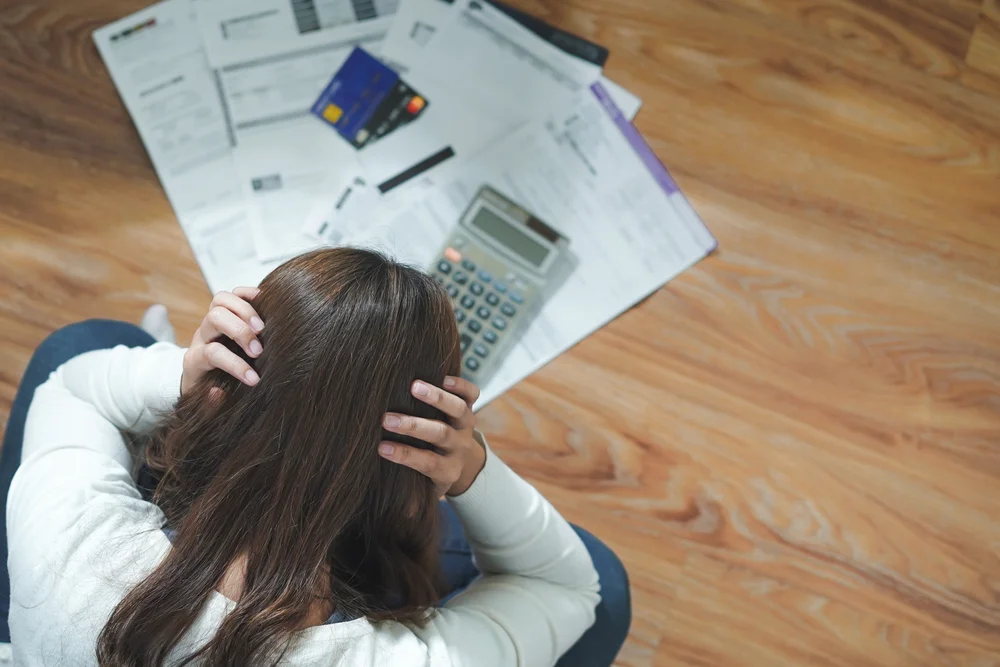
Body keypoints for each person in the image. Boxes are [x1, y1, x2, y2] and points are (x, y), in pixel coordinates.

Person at [1, 247, 631, 666]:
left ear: (223, 400)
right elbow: (572, 585)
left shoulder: (68, 545)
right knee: (607, 583)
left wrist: (185, 376)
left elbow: (72, 383)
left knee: (89, 341)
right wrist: (472, 471)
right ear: (402, 470)